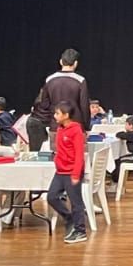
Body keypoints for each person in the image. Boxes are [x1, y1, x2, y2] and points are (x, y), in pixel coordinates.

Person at [28, 49, 91, 151]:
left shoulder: (49, 79)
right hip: (76, 127)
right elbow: (84, 106)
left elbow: (44, 104)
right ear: (75, 63)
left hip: (55, 126)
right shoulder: (80, 80)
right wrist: (87, 127)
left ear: (61, 62)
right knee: (78, 155)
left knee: (57, 156)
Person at [44, 102, 89, 245]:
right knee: (51, 197)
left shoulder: (76, 130)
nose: (55, 116)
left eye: (57, 113)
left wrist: (76, 174)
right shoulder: (60, 129)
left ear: (66, 115)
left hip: (71, 172)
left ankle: (80, 231)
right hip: (60, 171)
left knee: (76, 202)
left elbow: (79, 155)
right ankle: (69, 218)